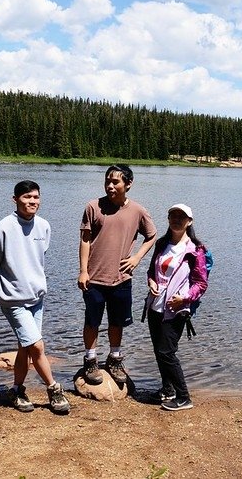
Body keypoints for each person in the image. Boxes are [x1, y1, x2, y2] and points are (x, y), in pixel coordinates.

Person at [0, 180, 70, 414]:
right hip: (13, 300)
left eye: (36, 197)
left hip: (37, 297)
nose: (32, 202)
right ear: (15, 200)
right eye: (27, 197)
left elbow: (37, 258)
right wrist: (1, 288)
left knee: (25, 347)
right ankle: (54, 389)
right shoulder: (2, 228)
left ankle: (17, 390)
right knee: (38, 347)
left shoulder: (44, 227)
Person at [78, 164, 157, 385]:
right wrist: (83, 271)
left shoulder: (138, 211)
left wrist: (136, 258)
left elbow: (151, 235)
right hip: (94, 277)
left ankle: (114, 358)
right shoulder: (93, 207)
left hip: (121, 278)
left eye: (116, 182)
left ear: (128, 184)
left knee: (117, 322)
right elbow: (85, 239)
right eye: (107, 181)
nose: (110, 186)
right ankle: (90, 360)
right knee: (91, 321)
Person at [144, 204, 208, 411]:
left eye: (182, 217)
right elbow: (152, 271)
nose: (177, 220)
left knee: (167, 352)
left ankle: (184, 397)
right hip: (155, 305)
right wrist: (151, 282)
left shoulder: (195, 250)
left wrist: (185, 298)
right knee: (158, 350)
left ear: (189, 222)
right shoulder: (162, 243)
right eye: (173, 216)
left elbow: (201, 283)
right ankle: (167, 389)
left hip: (177, 308)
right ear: (168, 218)